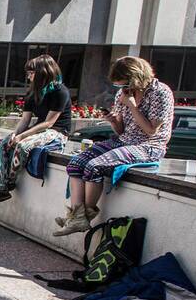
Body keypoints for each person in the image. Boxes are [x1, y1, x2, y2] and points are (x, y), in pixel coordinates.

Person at [55, 56, 174, 235]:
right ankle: (76, 216)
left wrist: (133, 106)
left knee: (95, 166)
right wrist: (113, 121)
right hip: (124, 140)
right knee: (76, 163)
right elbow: (121, 131)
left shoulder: (160, 93)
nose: (121, 89)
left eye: (123, 83)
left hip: (149, 145)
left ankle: (83, 217)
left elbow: (151, 131)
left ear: (136, 77)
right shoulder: (124, 93)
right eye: (119, 85)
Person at [0, 54, 72, 206]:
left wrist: (22, 137)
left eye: (32, 73)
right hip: (39, 129)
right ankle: (2, 188)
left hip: (57, 131)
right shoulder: (32, 92)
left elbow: (49, 123)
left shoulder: (60, 91)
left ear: (44, 73)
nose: (29, 76)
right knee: (2, 145)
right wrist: (15, 134)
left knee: (23, 146)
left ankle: (8, 182)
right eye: (28, 73)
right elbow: (25, 119)